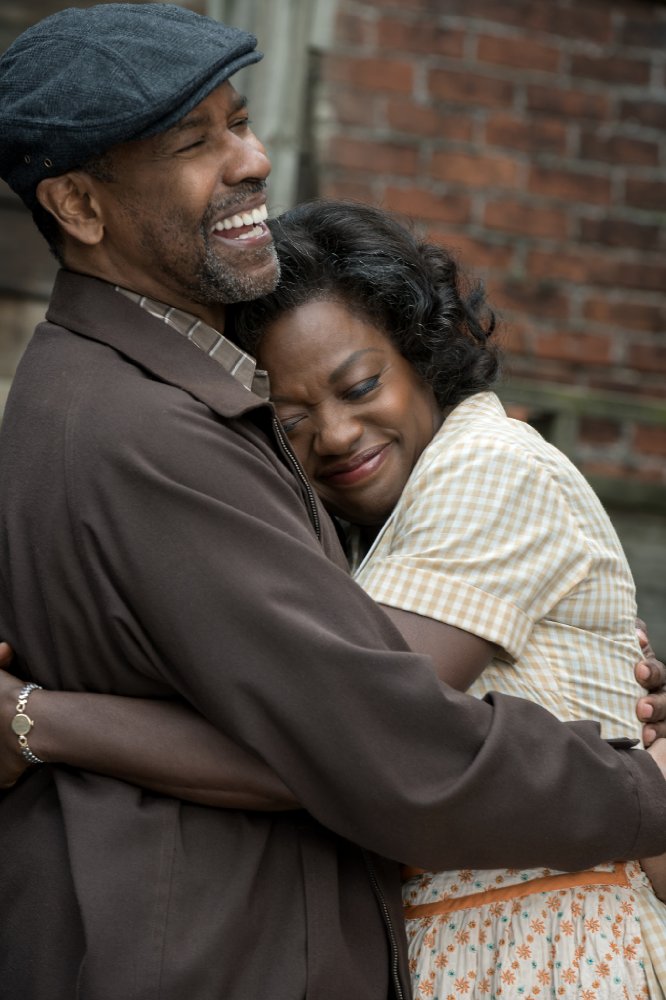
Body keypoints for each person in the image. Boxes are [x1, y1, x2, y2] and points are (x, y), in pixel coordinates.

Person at [1, 7, 666, 999]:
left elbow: (349, 728)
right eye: (196, 141)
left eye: (240, 122)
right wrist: (636, 784)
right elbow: (369, 746)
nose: (252, 159)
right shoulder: (150, 429)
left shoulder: (107, 397)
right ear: (80, 207)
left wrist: (35, 719)